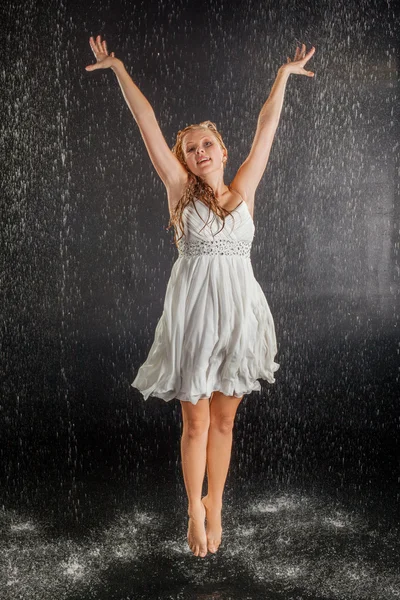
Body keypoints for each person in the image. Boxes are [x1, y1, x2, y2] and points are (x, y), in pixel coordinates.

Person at [85, 36, 315, 558]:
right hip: (193, 317)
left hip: (238, 315)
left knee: (226, 419)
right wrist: (119, 67)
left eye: (206, 143)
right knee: (195, 419)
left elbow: (268, 130)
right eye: (189, 148)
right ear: (183, 159)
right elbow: (146, 123)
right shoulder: (177, 190)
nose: (199, 151)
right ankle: (193, 506)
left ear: (222, 149)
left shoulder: (244, 189)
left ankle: (217, 503)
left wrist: (282, 75)